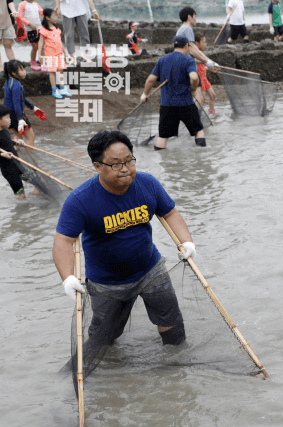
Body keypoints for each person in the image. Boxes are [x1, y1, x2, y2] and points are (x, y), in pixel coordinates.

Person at [52, 130, 195, 358]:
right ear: (97, 166)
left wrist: (186, 241)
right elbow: (63, 241)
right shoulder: (80, 200)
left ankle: (175, 365)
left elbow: (169, 213)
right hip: (107, 283)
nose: (125, 168)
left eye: (129, 160)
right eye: (116, 164)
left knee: (171, 322)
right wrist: (68, 278)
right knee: (104, 340)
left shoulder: (147, 184)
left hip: (151, 270)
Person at [141, 35, 205, 150]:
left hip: (167, 105)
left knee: (163, 136)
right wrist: (193, 89)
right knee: (198, 130)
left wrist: (145, 94)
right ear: (187, 46)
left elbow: (151, 79)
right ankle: (203, 155)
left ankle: (162, 158)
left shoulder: (163, 60)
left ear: (174, 46)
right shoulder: (188, 60)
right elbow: (194, 78)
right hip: (186, 104)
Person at [3, 60, 44, 147]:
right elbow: (17, 103)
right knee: (30, 137)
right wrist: (20, 119)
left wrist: (33, 107)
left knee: (18, 137)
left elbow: (19, 98)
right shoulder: (16, 85)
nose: (24, 72)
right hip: (16, 114)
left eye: (24, 69)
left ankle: (14, 154)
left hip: (9, 114)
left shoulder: (8, 82)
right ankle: (30, 154)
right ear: (14, 73)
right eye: (21, 70)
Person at [37, 8, 73, 100]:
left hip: (59, 54)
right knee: (52, 71)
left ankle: (62, 88)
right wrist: (39, 54)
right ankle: (54, 90)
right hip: (50, 54)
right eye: (54, 16)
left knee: (60, 70)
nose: (56, 18)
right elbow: (40, 42)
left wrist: (65, 52)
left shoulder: (57, 29)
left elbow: (60, 42)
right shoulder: (43, 29)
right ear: (47, 17)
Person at [0, 105, 26, 199]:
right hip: (9, 170)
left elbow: (7, 142)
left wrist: (16, 141)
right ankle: (21, 206)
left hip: (17, 164)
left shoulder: (4, 131)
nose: (10, 120)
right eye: (7, 117)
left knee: (35, 179)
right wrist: (2, 154)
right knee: (20, 194)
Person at [18, 0, 43, 70]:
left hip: (39, 28)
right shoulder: (22, 4)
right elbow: (20, 16)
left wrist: (50, 13)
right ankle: (33, 63)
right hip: (30, 29)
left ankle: (43, 63)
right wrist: (29, 24)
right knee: (35, 47)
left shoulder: (36, 4)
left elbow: (41, 12)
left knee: (42, 46)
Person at [194, 33, 216, 116]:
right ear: (196, 43)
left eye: (205, 42)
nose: (205, 44)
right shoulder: (194, 53)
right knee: (201, 99)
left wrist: (209, 69)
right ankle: (197, 115)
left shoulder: (200, 53)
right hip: (199, 79)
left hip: (204, 78)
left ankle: (211, 113)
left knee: (212, 95)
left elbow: (202, 66)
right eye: (203, 42)